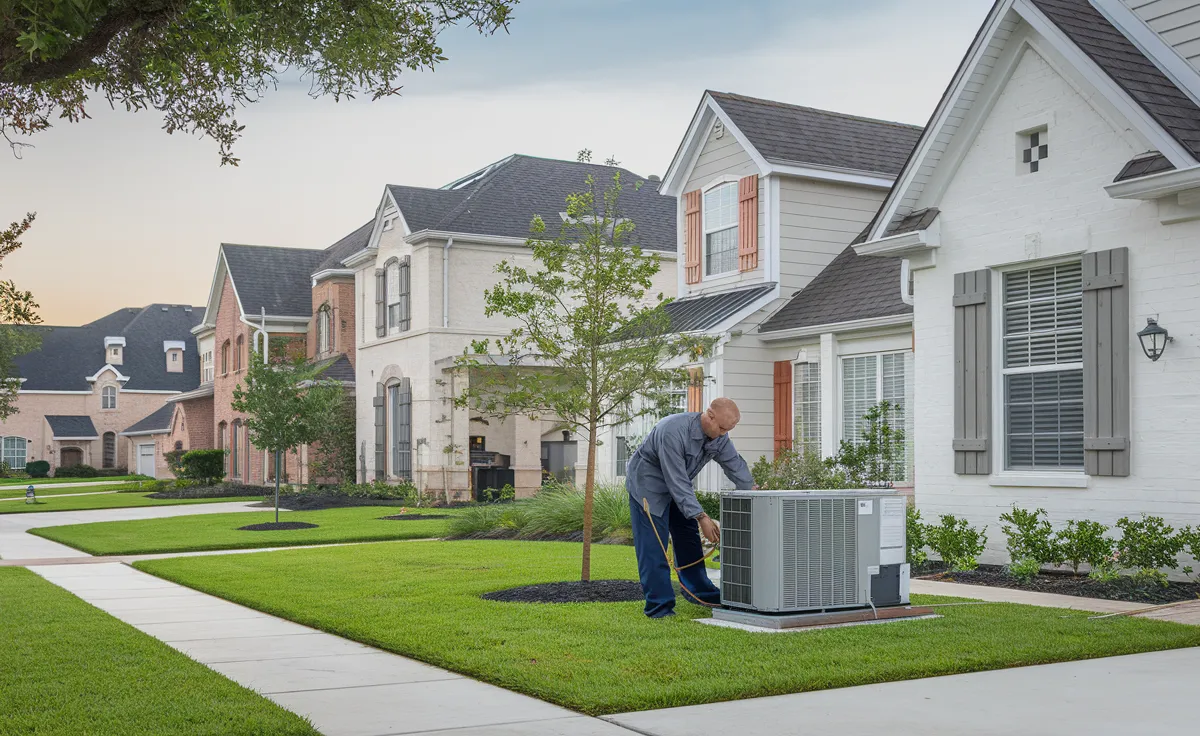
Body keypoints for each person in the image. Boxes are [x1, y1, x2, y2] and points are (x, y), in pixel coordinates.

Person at [625, 397, 755, 618]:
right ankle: (659, 607)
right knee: (653, 547)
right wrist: (701, 516)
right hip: (649, 488)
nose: (724, 434)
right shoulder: (672, 431)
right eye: (722, 427)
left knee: (688, 539)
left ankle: (702, 593)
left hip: (678, 489)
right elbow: (676, 479)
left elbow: (735, 464)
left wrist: (751, 489)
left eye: (728, 429)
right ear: (709, 415)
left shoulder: (720, 437)